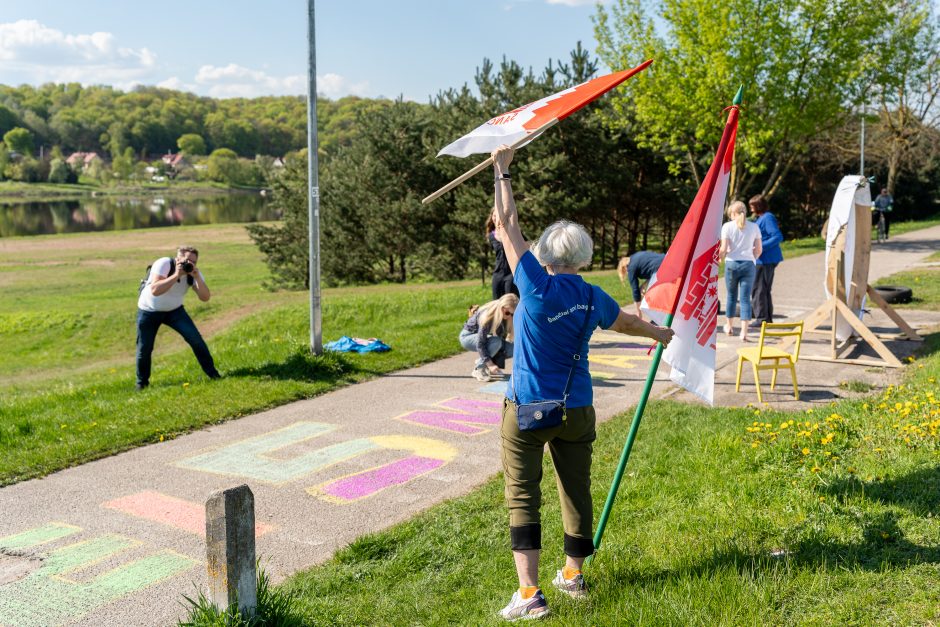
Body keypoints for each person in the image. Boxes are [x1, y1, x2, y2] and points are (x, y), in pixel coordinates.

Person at [489, 145, 673, 621]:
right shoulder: (592, 296)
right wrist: (658, 332)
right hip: (578, 409)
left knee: (522, 495)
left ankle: (529, 596)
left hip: (528, 408)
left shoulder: (534, 283)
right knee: (577, 490)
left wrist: (502, 171)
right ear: (585, 255)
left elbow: (508, 227)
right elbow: (627, 324)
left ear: (545, 253)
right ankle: (572, 576)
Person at [136, 246, 220, 389]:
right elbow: (155, 290)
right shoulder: (164, 264)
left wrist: (197, 277)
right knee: (145, 349)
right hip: (149, 311)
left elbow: (205, 298)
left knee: (196, 340)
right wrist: (176, 275)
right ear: (178, 258)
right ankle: (141, 384)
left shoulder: (191, 272)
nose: (190, 263)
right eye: (187, 260)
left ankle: (214, 375)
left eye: (194, 261)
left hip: (174, 311)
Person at [719, 201, 762, 341]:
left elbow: (723, 249)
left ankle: (729, 326)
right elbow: (759, 249)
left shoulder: (727, 227)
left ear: (733, 213)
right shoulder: (754, 227)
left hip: (732, 263)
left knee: (731, 296)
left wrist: (720, 259)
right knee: (745, 299)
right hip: (748, 264)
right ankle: (744, 332)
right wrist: (753, 257)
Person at [459, 293, 518, 382]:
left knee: (513, 348)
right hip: (467, 337)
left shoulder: (505, 316)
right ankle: (478, 369)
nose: (509, 316)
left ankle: (482, 361)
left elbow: (504, 338)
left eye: (513, 314)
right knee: (496, 342)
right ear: (501, 307)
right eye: (507, 313)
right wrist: (490, 364)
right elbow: (480, 343)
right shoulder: (487, 315)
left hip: (484, 338)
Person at [748, 194, 783, 328]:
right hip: (764, 259)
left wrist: (760, 247)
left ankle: (761, 318)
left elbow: (777, 236)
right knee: (763, 289)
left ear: (758, 206)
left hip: (765, 260)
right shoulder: (761, 218)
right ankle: (766, 319)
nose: (751, 209)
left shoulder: (768, 218)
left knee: (758, 289)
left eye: (752, 206)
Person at [617, 250, 665, 319]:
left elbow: (635, 290)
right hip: (666, 259)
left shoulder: (630, 268)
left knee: (645, 292)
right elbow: (650, 266)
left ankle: (658, 316)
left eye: (625, 272)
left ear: (624, 267)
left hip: (659, 269)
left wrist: (638, 312)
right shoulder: (636, 256)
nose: (627, 274)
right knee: (643, 288)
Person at [487, 213, 519, 299]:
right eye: (494, 215)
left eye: (498, 215)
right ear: (491, 218)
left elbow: (526, 244)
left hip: (510, 273)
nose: (496, 218)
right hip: (498, 273)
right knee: (496, 301)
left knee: (510, 301)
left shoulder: (512, 232)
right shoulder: (491, 236)